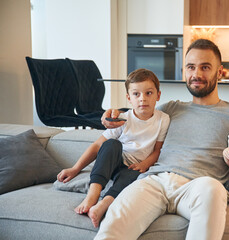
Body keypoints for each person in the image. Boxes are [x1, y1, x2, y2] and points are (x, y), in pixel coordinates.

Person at [96, 39, 229, 240]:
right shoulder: (171, 109)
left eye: (205, 67)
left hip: (200, 185)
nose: (196, 74)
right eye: (191, 67)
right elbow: (135, 115)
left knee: (213, 189)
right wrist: (112, 114)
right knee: (114, 224)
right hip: (155, 181)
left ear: (219, 72)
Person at [57, 69, 170, 228]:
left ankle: (103, 204)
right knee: (111, 144)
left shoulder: (163, 119)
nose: (143, 99)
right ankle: (93, 195)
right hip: (115, 162)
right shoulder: (123, 119)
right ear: (128, 98)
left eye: (149, 93)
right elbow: (97, 145)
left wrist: (145, 164)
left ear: (158, 95)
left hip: (134, 167)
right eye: (136, 94)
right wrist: (75, 169)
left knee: (135, 176)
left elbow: (158, 150)